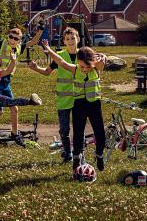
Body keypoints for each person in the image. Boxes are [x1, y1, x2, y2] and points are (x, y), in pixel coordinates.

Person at [41, 40, 107, 172]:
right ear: (78, 62)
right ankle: (76, 158)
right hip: (79, 105)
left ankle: (99, 155)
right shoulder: (75, 69)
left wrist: (103, 57)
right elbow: (60, 61)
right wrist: (49, 50)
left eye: (87, 67)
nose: (85, 69)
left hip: (94, 105)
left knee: (100, 134)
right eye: (82, 66)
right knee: (78, 133)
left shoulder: (97, 68)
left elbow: (102, 59)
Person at [0, 26, 43, 148]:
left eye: (15, 38)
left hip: (6, 83)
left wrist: (41, 30)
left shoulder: (19, 47)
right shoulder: (0, 43)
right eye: (10, 37)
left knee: (14, 109)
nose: (12, 40)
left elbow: (33, 42)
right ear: (8, 36)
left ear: (19, 40)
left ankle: (15, 134)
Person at [29, 27, 80, 162]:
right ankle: (67, 152)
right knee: (64, 130)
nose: (70, 41)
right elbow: (47, 72)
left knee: (78, 128)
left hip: (80, 98)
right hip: (63, 99)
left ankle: (78, 152)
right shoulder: (60, 56)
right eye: (67, 39)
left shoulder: (83, 55)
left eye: (73, 38)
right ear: (64, 41)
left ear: (78, 39)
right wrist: (35, 68)